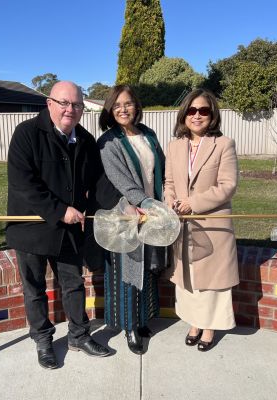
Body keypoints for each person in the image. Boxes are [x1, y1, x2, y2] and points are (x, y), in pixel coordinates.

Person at [6, 81, 120, 369]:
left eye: (77, 105)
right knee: (34, 289)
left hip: (68, 230)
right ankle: (43, 340)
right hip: (31, 228)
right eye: (64, 103)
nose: (71, 109)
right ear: (50, 104)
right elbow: (23, 185)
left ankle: (79, 335)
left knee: (73, 285)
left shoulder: (84, 139)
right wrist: (60, 210)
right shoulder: (26, 134)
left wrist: (124, 204)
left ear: (83, 109)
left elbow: (99, 183)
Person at [164, 88, 239, 352]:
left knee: (212, 282)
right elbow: (170, 183)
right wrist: (170, 202)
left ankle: (209, 328)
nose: (197, 116)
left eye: (204, 111)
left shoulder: (223, 144)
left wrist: (193, 203)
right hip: (183, 225)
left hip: (212, 225)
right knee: (189, 279)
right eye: (192, 110)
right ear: (184, 114)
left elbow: (228, 186)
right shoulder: (174, 146)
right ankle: (194, 323)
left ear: (212, 115)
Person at [97, 85, 166, 354]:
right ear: (110, 110)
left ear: (136, 106)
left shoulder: (148, 134)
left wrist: (160, 203)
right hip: (128, 215)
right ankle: (129, 327)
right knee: (128, 272)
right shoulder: (108, 142)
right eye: (117, 106)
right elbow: (120, 181)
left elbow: (159, 169)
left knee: (149, 269)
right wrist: (143, 203)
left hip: (153, 212)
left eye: (127, 104)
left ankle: (143, 318)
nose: (123, 109)